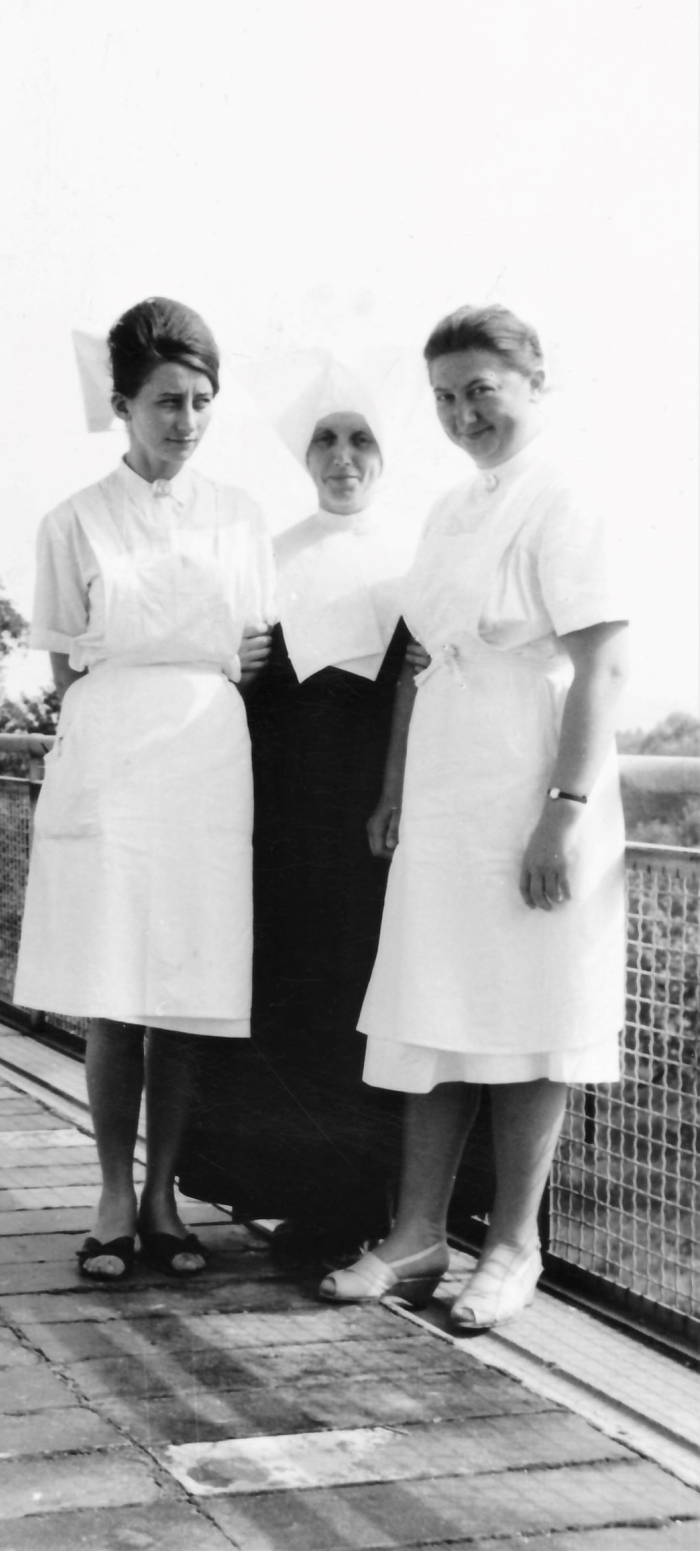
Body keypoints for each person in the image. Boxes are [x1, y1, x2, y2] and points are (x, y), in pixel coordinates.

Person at [322, 305, 628, 1329]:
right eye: (445, 399)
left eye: (479, 392)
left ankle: (509, 1246)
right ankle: (415, 1236)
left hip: (529, 787)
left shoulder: (567, 499)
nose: (461, 414)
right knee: (436, 1013)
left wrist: (562, 813)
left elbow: (600, 667)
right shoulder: (449, 511)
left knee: (527, 1022)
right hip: (447, 798)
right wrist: (395, 789)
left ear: (532, 380)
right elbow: (418, 661)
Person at [13, 297, 275, 1280]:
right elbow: (64, 674)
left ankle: (166, 1195)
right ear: (121, 404)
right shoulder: (71, 521)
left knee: (184, 988)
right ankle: (112, 1195)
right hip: (113, 756)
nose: (186, 421)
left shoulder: (240, 518)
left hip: (206, 759)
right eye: (166, 401)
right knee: (114, 994)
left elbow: (249, 653)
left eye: (202, 401)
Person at [177, 353, 418, 1259]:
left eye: (361, 439)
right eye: (326, 437)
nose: (343, 455)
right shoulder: (263, 557)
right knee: (289, 997)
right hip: (279, 821)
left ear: (385, 456)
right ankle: (296, 1194)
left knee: (368, 999)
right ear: (303, 453)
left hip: (376, 827)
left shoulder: (415, 562)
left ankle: (381, 1205)